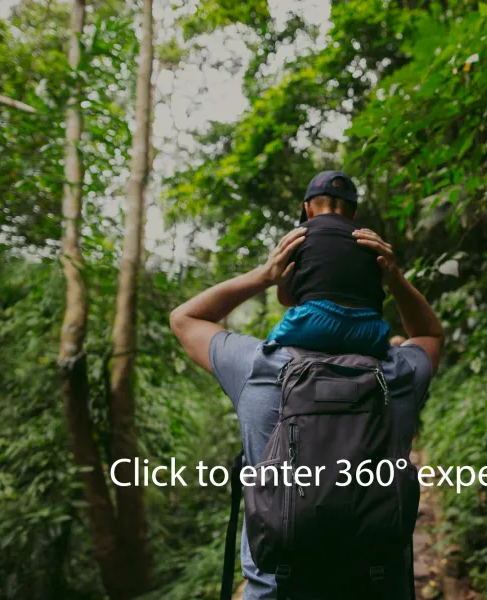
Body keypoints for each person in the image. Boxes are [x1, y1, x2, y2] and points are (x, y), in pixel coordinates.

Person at [170, 226, 444, 600]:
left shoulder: (257, 366)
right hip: (379, 585)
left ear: (297, 295)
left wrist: (264, 276)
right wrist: (395, 278)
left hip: (277, 590)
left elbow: (184, 318)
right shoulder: (401, 373)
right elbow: (431, 335)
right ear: (372, 293)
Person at [267, 170, 390, 358]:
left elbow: (286, 300)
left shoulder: (297, 235)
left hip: (313, 323)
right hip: (369, 331)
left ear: (308, 209)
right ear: (353, 214)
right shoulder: (371, 239)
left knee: (269, 348)